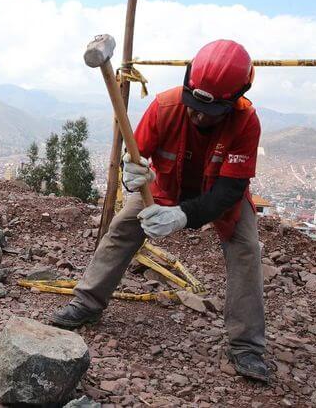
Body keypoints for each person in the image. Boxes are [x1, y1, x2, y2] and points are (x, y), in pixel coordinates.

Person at [50, 40, 270, 383]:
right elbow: (137, 156)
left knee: (246, 250)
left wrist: (183, 216)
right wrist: (131, 175)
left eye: (208, 112)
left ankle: (247, 346)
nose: (197, 114)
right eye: (193, 105)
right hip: (165, 189)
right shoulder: (165, 106)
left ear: (232, 102)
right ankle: (87, 304)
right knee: (123, 228)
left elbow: (229, 191)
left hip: (219, 196)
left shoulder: (245, 121)